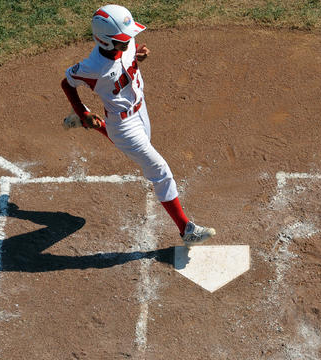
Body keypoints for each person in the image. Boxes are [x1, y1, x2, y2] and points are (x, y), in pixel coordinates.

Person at [60, 4, 215, 246]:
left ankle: (85, 121)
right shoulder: (92, 67)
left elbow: (127, 62)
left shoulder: (126, 44)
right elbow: (67, 83)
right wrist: (81, 109)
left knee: (136, 149)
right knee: (160, 171)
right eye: (123, 39)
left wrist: (137, 57)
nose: (130, 41)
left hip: (141, 110)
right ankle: (187, 230)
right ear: (105, 41)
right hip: (123, 125)